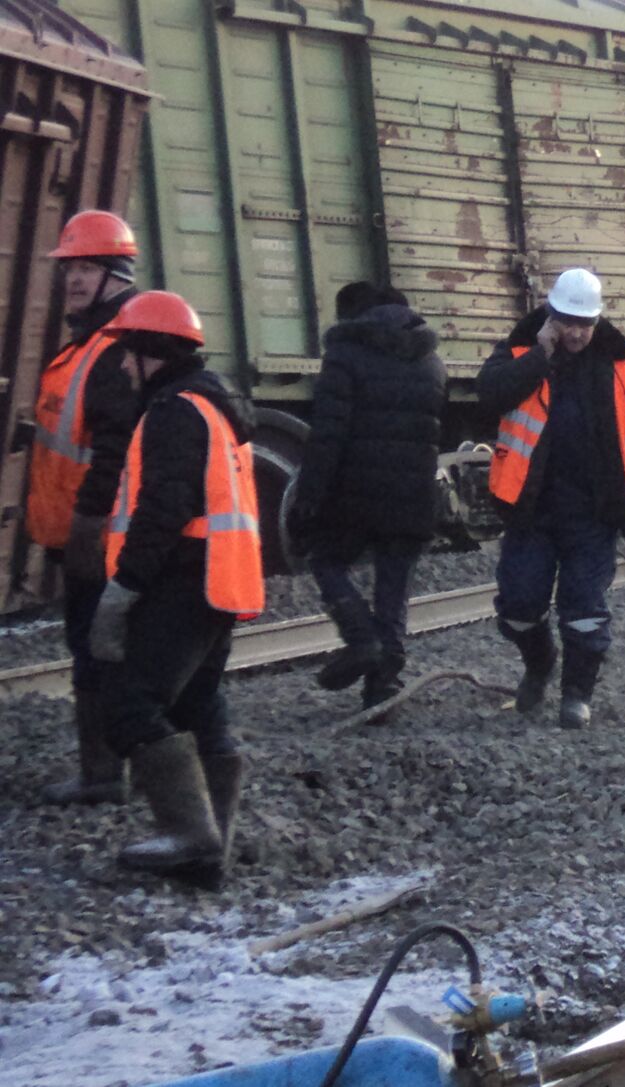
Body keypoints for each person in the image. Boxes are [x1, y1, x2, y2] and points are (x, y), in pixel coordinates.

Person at [90, 292, 262, 888]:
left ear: (150, 354)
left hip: (184, 579)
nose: (119, 366)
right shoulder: (213, 406)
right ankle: (210, 853)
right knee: (198, 707)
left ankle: (191, 835)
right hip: (220, 581)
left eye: (126, 353)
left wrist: (126, 586)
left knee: (130, 706)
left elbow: (164, 507)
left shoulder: (174, 412)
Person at [479, 268, 625, 729]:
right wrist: (539, 354)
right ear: (551, 316)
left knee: (584, 610)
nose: (577, 332)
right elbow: (490, 394)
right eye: (568, 322)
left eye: (585, 323)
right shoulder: (522, 349)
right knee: (519, 607)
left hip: (594, 512)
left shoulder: (623, 361)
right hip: (532, 510)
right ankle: (540, 662)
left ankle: (577, 694)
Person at [30, 211, 143, 806]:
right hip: (80, 531)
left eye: (88, 267)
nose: (73, 278)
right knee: (94, 648)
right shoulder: (85, 346)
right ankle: (107, 770)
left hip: (98, 537)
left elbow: (113, 447)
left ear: (117, 274)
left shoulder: (111, 350)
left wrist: (88, 523)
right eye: (70, 267)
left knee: (98, 651)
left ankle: (104, 776)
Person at [292, 283, 446, 711]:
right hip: (414, 495)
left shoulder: (345, 355)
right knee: (394, 588)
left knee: (326, 561)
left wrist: (308, 501)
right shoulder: (430, 360)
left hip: (354, 496)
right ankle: (381, 690)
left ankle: (361, 639)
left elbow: (327, 436)